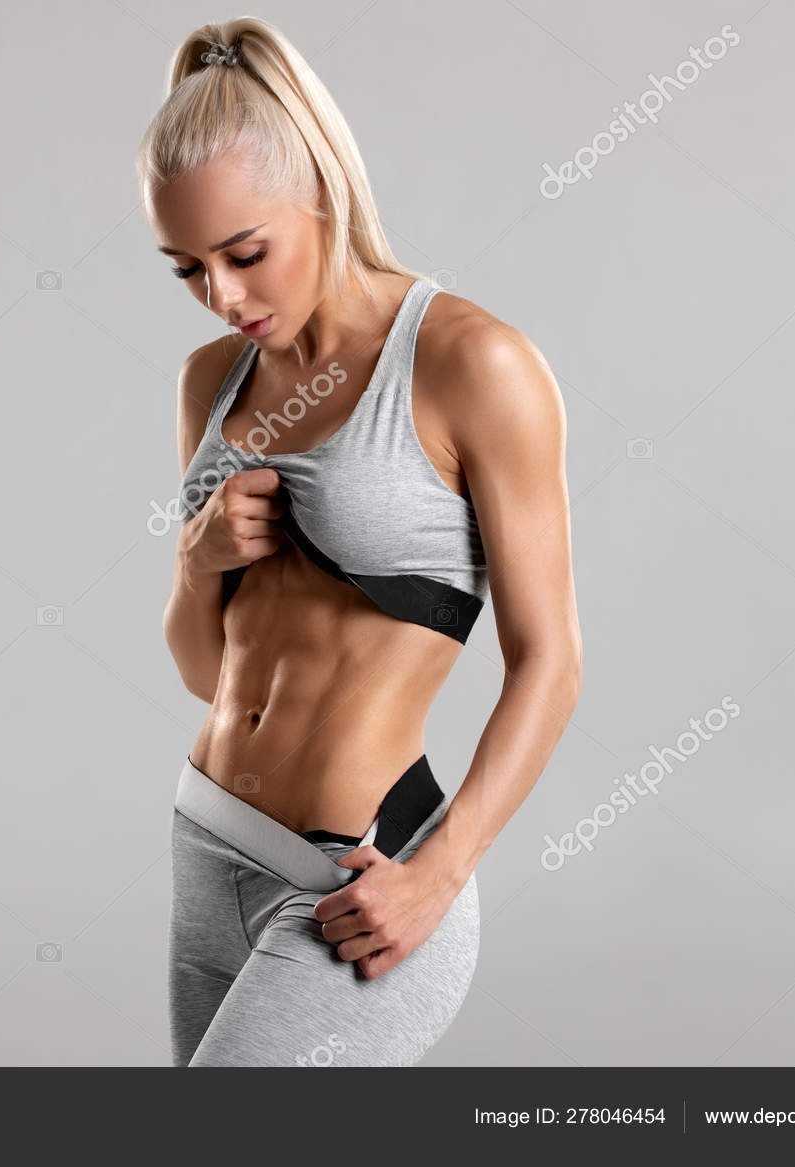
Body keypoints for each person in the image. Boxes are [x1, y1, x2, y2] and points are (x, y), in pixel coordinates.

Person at [138, 18, 583, 1067]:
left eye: (245, 253)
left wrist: (443, 871)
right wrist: (196, 563)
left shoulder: (475, 364)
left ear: (324, 194)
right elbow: (211, 674)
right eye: (187, 270)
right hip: (205, 849)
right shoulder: (212, 382)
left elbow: (552, 663)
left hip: (357, 879)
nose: (224, 296)